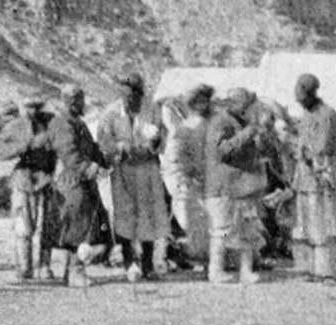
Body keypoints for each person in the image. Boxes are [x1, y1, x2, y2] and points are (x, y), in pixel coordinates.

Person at [97, 72, 171, 282]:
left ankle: (147, 264)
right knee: (124, 216)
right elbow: (103, 142)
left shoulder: (152, 110)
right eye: (124, 96)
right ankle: (130, 262)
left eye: (132, 96)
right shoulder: (111, 114)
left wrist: (155, 142)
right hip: (123, 170)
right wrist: (119, 148)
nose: (128, 100)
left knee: (148, 216)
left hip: (147, 169)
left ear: (140, 94)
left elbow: (163, 136)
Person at [204, 88, 270, 284]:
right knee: (221, 229)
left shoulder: (244, 122)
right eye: (246, 105)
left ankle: (246, 271)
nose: (249, 109)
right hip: (223, 187)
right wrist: (247, 134)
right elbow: (220, 151)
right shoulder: (220, 122)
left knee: (247, 229)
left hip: (243, 186)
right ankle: (216, 270)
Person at [0, 96, 58, 283]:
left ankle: (44, 266)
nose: (32, 111)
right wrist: (21, 147)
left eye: (36, 107)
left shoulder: (51, 123)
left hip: (45, 179)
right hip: (23, 180)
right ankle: (24, 267)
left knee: (46, 226)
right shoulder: (16, 126)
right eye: (29, 107)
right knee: (23, 227)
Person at [48, 85, 110, 287]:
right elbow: (68, 152)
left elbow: (91, 148)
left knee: (87, 225)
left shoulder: (77, 122)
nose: (84, 104)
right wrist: (86, 168)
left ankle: (71, 271)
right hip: (70, 182)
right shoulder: (61, 123)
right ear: (73, 101)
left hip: (82, 180)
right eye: (81, 100)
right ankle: (75, 272)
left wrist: (104, 159)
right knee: (78, 226)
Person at [289, 73, 336, 285]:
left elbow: (323, 147)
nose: (300, 103)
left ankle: (326, 272)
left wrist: (304, 152)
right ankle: (312, 269)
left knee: (323, 224)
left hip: (320, 176)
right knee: (306, 225)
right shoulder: (305, 116)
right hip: (304, 178)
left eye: (302, 98)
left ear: (312, 93)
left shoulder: (327, 115)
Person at [164, 84, 214, 269]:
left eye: (207, 101)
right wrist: (186, 179)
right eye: (202, 101)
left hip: (208, 185)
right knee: (193, 226)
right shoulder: (183, 129)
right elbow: (174, 160)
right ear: (194, 104)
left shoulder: (210, 125)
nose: (206, 105)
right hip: (189, 186)